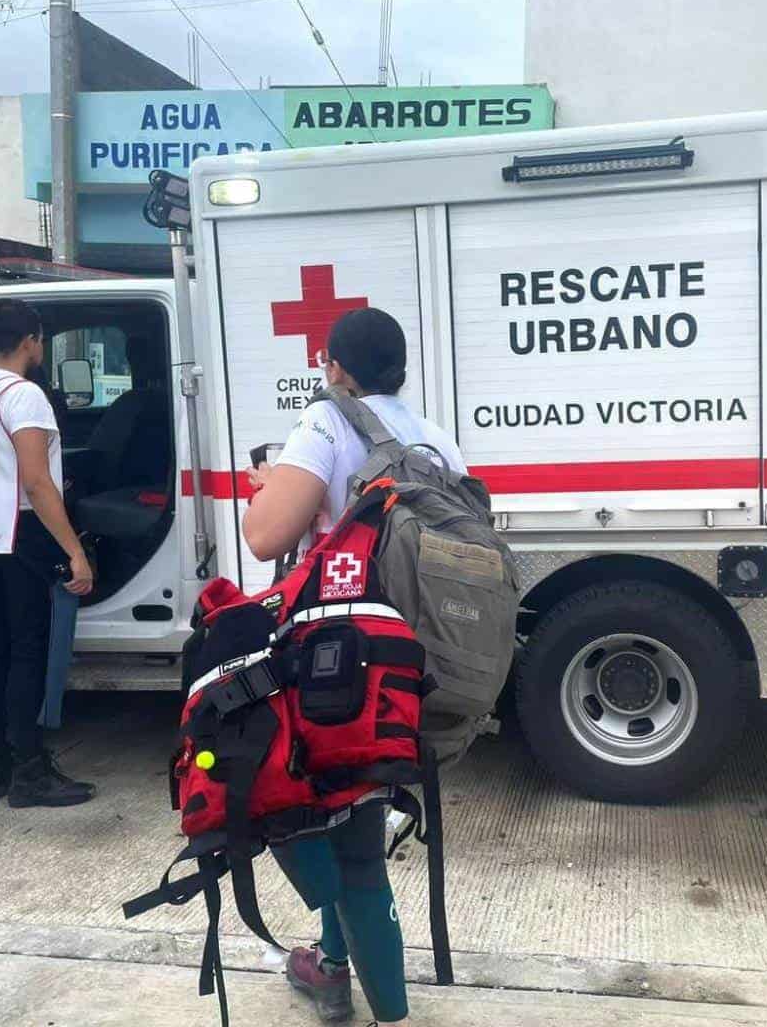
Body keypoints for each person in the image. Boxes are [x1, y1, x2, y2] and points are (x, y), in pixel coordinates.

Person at [243, 307, 464, 1027]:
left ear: (335, 368)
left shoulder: (328, 425)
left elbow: (264, 536)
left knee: (342, 831)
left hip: (341, 662)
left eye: (326, 363)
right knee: (353, 813)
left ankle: (380, 1007)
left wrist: (271, 484)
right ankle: (332, 964)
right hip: (415, 660)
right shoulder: (436, 441)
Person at [0, 298, 96, 808]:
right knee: (29, 654)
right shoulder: (24, 394)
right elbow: (36, 482)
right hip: (19, 536)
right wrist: (75, 552)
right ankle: (31, 774)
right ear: (32, 341)